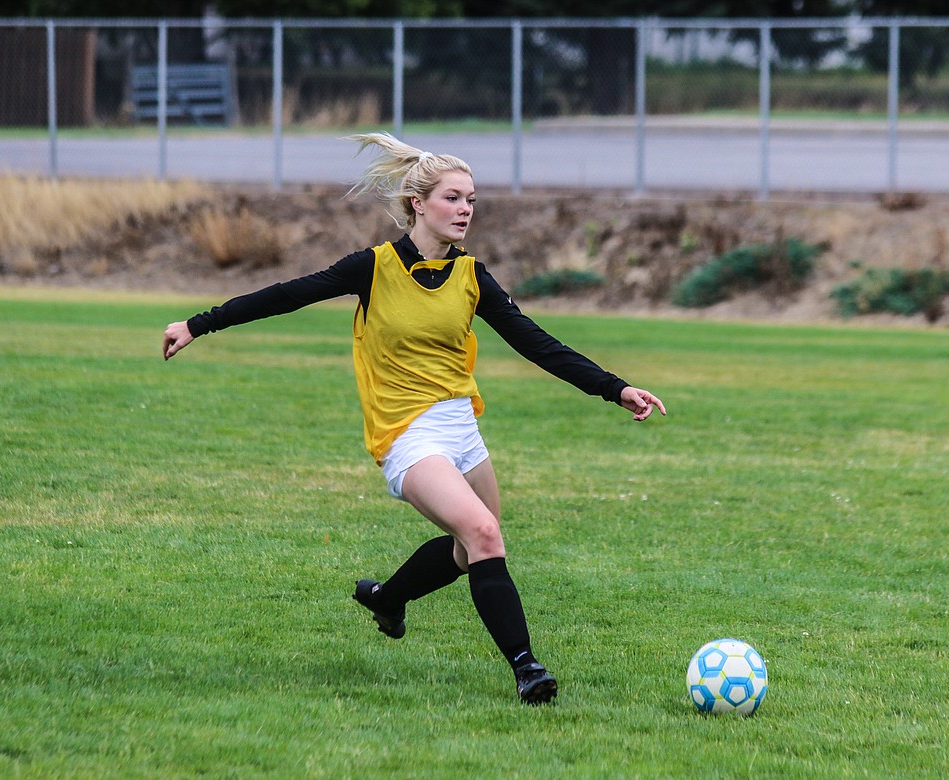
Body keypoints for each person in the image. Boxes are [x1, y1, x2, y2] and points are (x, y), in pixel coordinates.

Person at [161, 132, 666, 705]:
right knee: (483, 533)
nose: (466, 210)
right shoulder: (372, 268)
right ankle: (527, 669)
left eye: (472, 199)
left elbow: (537, 344)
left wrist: (615, 388)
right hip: (406, 433)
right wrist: (199, 324)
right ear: (417, 204)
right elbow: (286, 295)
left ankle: (387, 597)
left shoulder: (473, 277)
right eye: (454, 198)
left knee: (467, 549)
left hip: (461, 428)